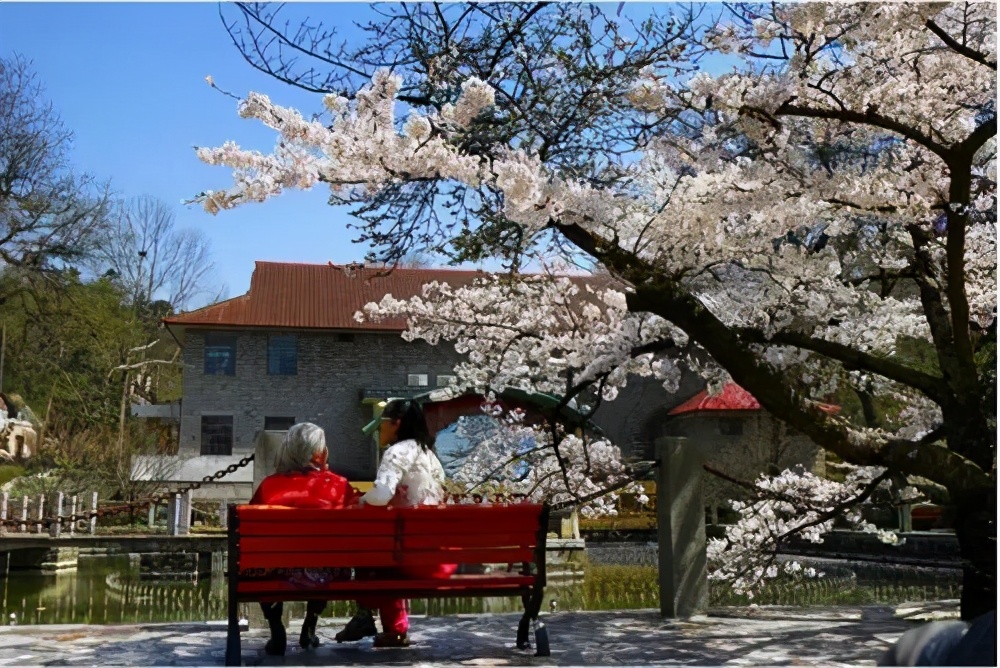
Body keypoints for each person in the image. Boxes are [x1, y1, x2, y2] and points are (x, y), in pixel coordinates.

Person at [334, 399, 455, 648]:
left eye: (382, 424)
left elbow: (381, 495)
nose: (379, 430)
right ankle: (390, 628)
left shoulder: (397, 452)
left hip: (412, 556)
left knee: (373, 550)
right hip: (439, 556)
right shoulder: (430, 457)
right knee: (386, 550)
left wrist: (359, 501)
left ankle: (366, 616)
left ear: (395, 424)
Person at [249, 422, 361, 656]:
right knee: (325, 558)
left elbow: (251, 531)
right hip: (328, 573)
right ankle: (309, 626)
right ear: (319, 453)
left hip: (276, 572)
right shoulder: (339, 486)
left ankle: (276, 629)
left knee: (263, 564)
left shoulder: (269, 486)